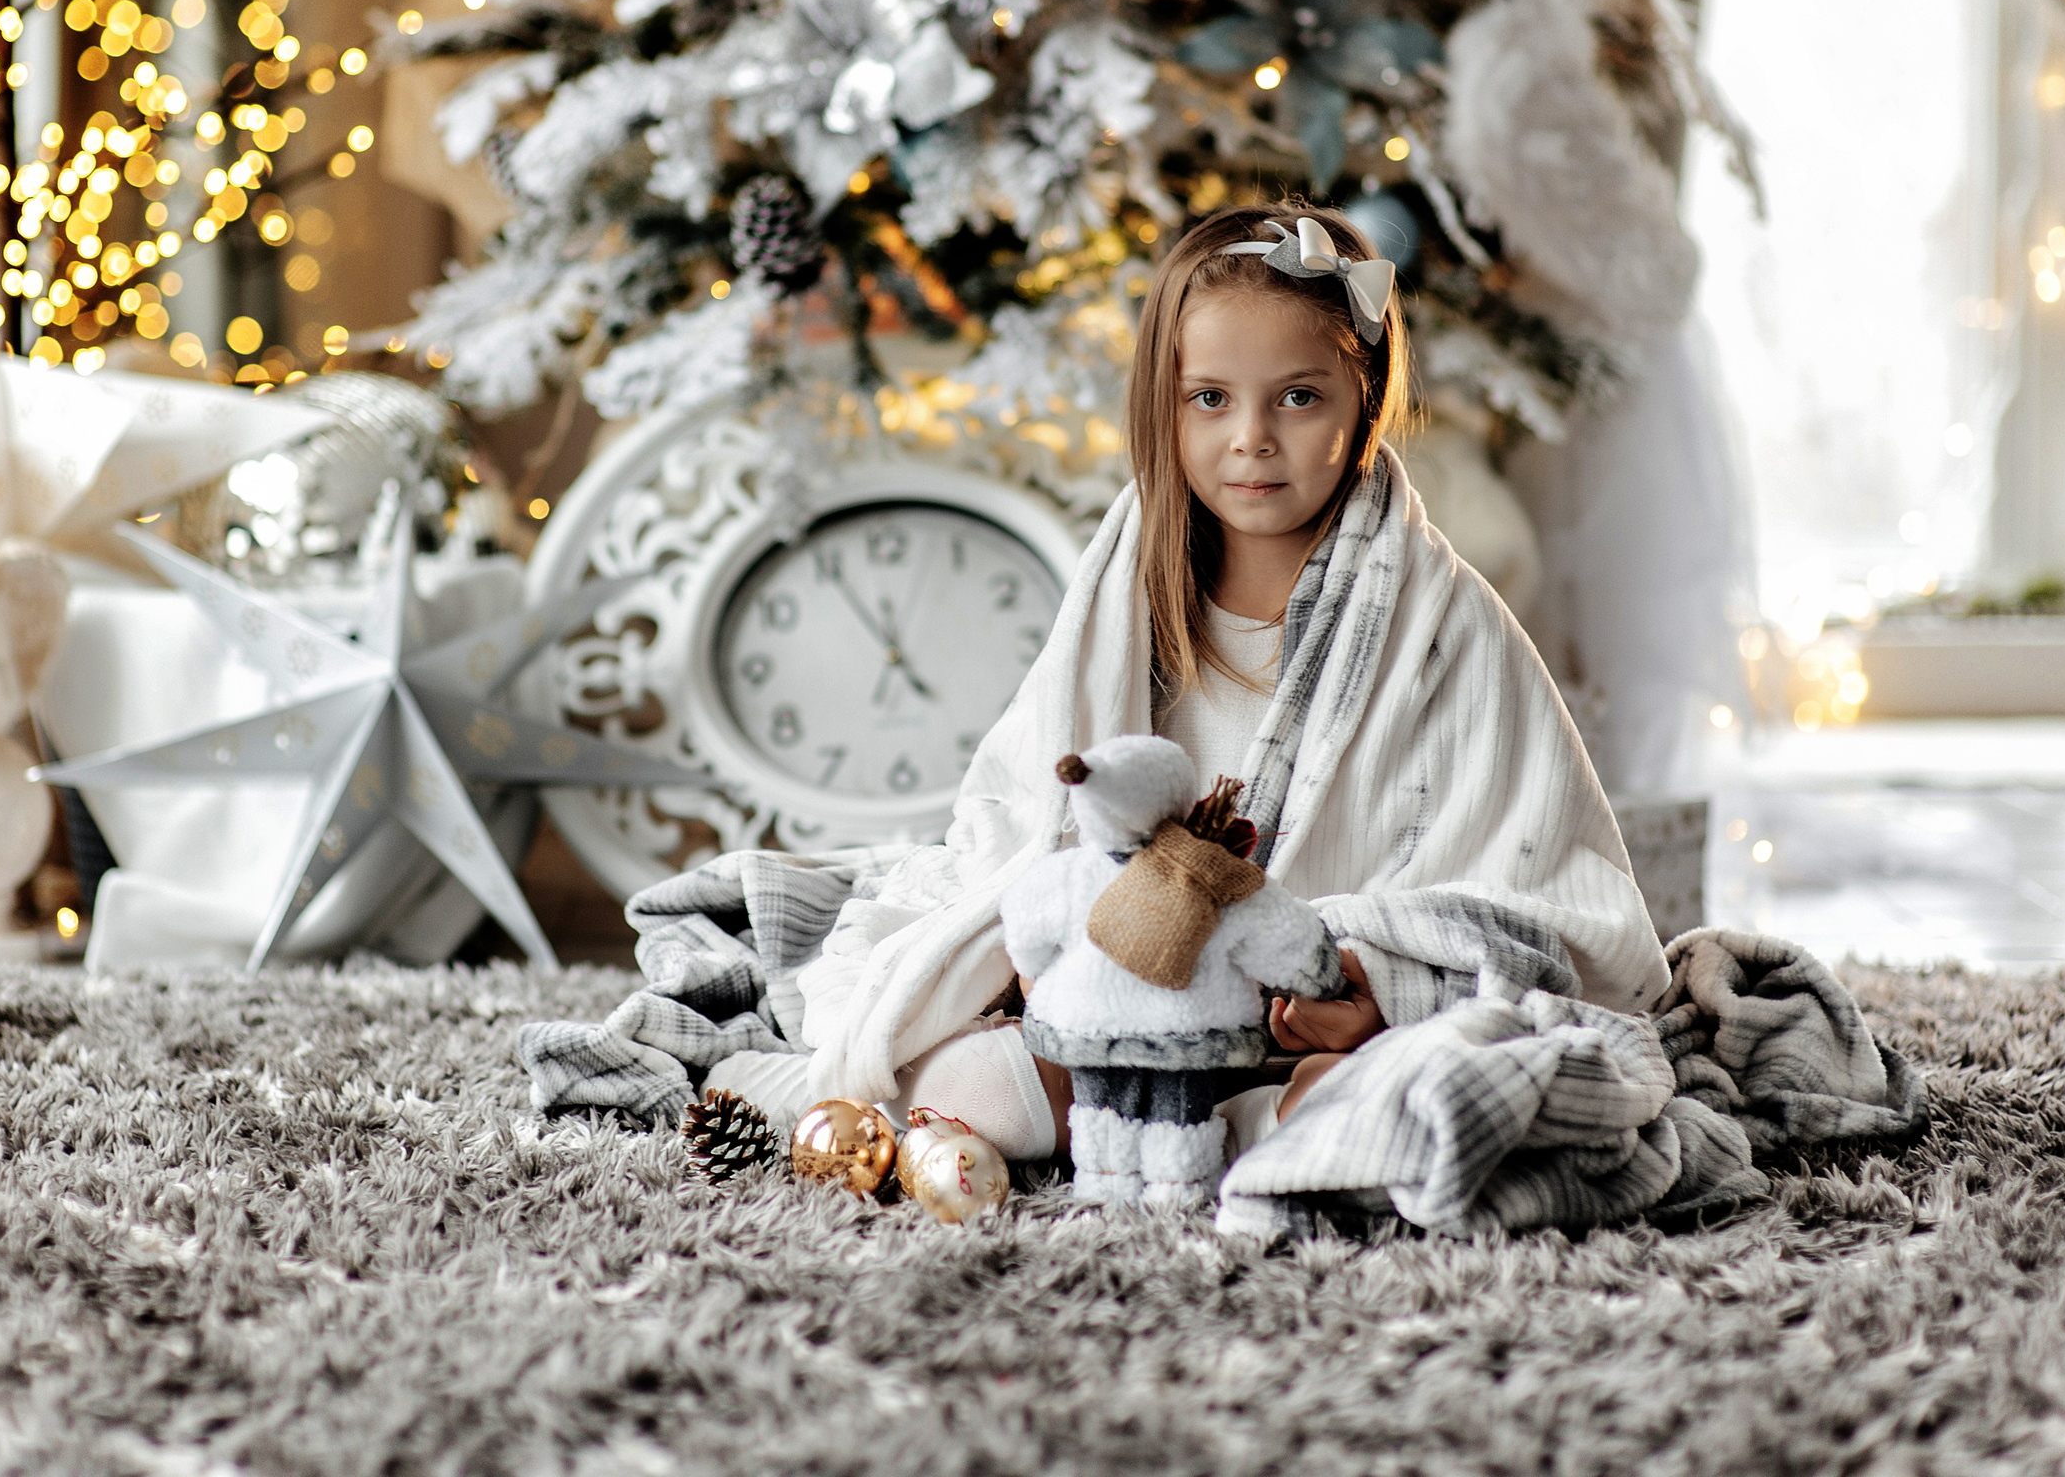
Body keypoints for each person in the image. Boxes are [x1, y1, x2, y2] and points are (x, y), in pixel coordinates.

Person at [702, 202, 1671, 1163]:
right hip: (1131, 969)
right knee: (990, 1065)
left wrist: (1371, 990)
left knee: (1419, 1087)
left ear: (1362, 398)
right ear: (1163, 405)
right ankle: (975, 1098)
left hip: (1304, 992)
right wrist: (1045, 951)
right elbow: (1029, 804)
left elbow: (1543, 889)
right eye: (1210, 398)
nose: (1251, 438)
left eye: (1298, 397)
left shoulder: (1440, 623)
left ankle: (1284, 1113)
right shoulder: (1129, 587)